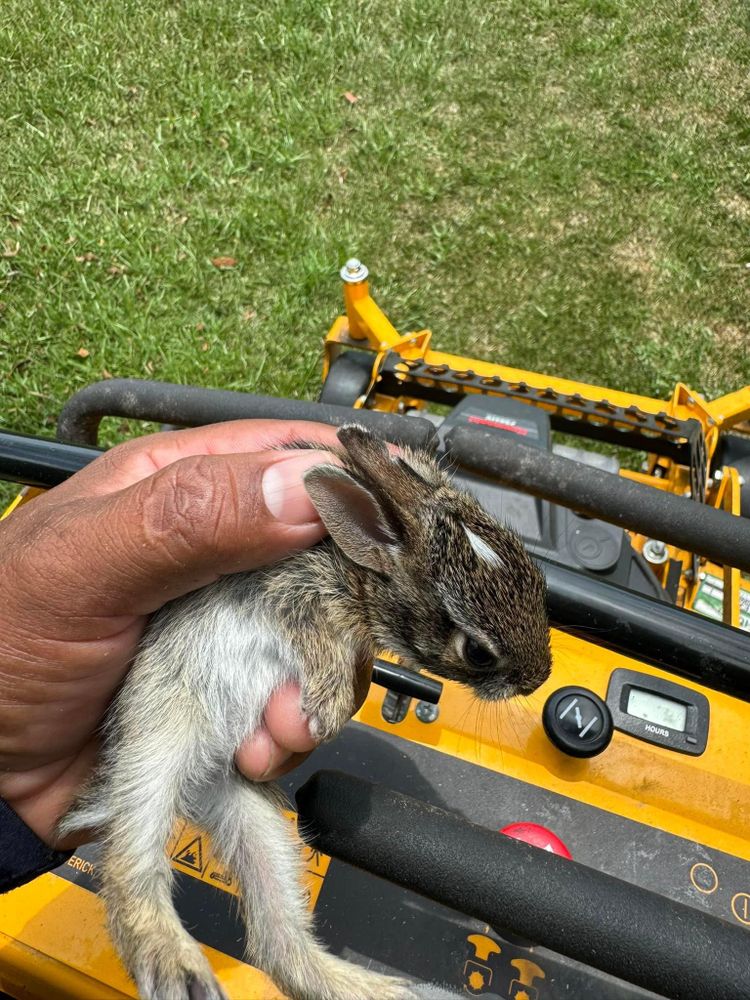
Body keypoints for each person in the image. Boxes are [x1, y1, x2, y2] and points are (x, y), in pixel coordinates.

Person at [0, 418, 367, 891]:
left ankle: (292, 958)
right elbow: (290, 595)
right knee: (166, 799)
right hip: (177, 685)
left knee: (251, 800)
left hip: (185, 706)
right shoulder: (312, 534)